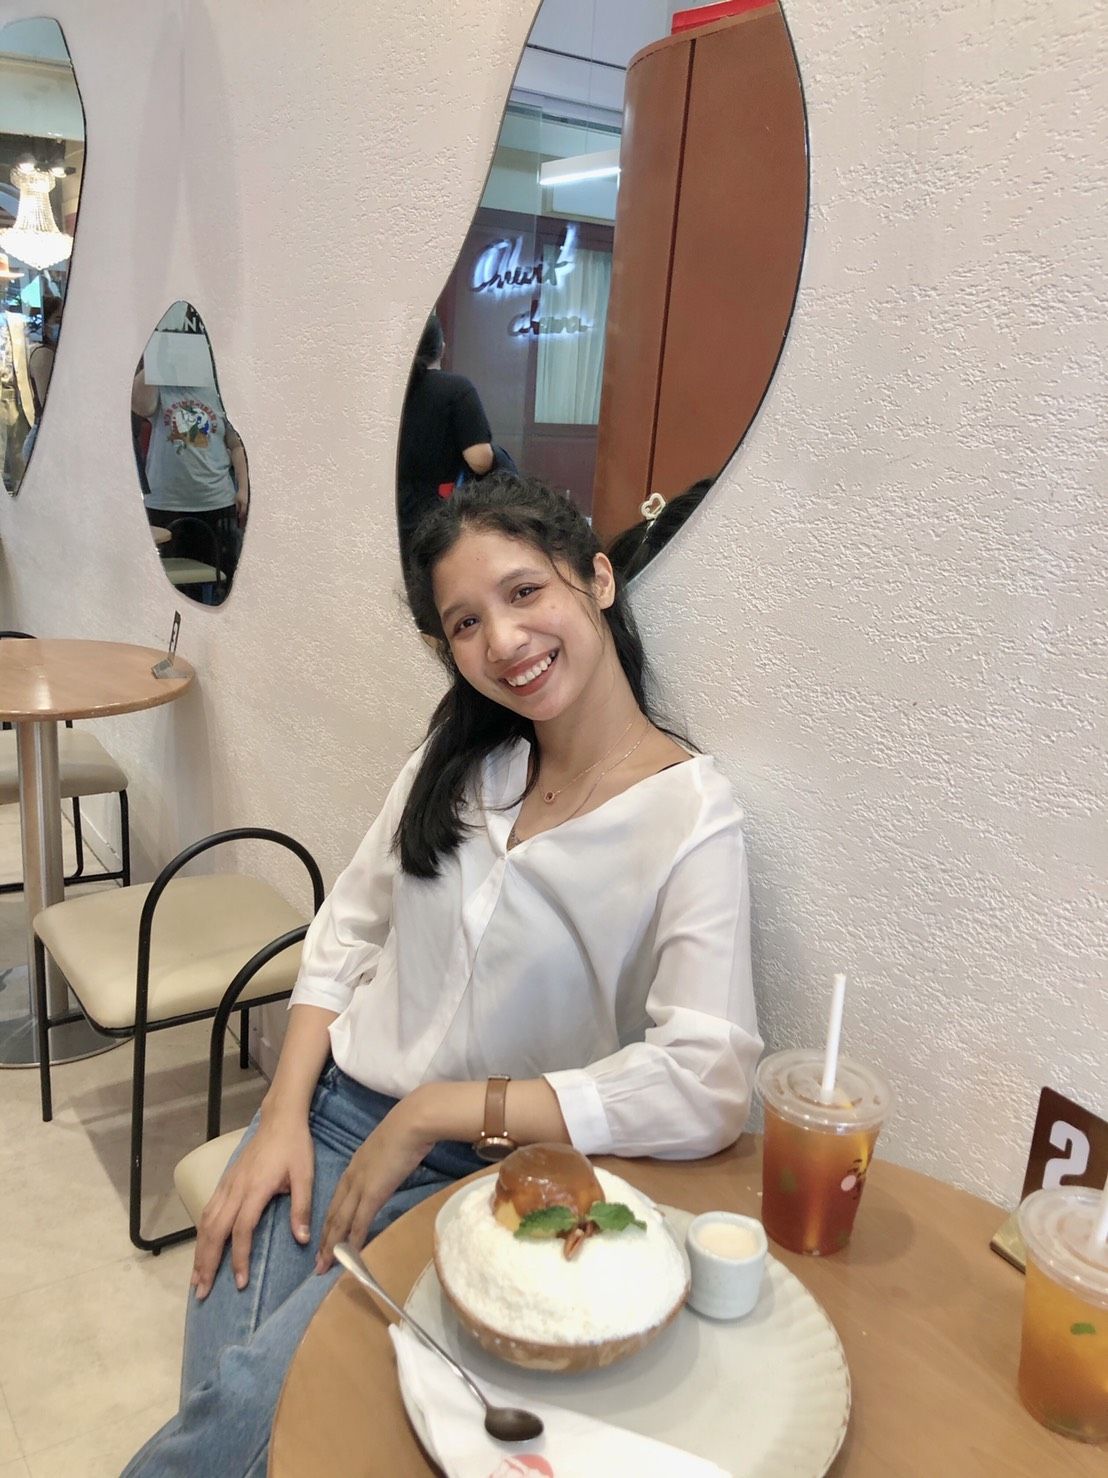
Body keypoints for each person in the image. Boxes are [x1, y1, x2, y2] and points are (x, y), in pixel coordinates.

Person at [124, 473, 760, 1476]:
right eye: (465, 623)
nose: (502, 640)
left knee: (256, 1412)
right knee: (226, 1404)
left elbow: (707, 1076)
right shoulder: (461, 762)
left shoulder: (690, 815)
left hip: (489, 1175)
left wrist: (436, 1111)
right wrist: (281, 1113)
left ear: (597, 579)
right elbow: (346, 929)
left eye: (524, 592)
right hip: (328, 1116)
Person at [132, 363, 249, 592]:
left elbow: (236, 444)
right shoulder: (160, 385)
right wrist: (158, 356)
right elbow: (141, 405)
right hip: (165, 503)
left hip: (216, 502)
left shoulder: (220, 386)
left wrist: (243, 488)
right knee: (161, 587)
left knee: (219, 585)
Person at [396, 311, 494, 554]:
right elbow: (480, 460)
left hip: (386, 512)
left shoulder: (387, 391)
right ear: (441, 347)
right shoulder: (456, 389)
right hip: (434, 518)